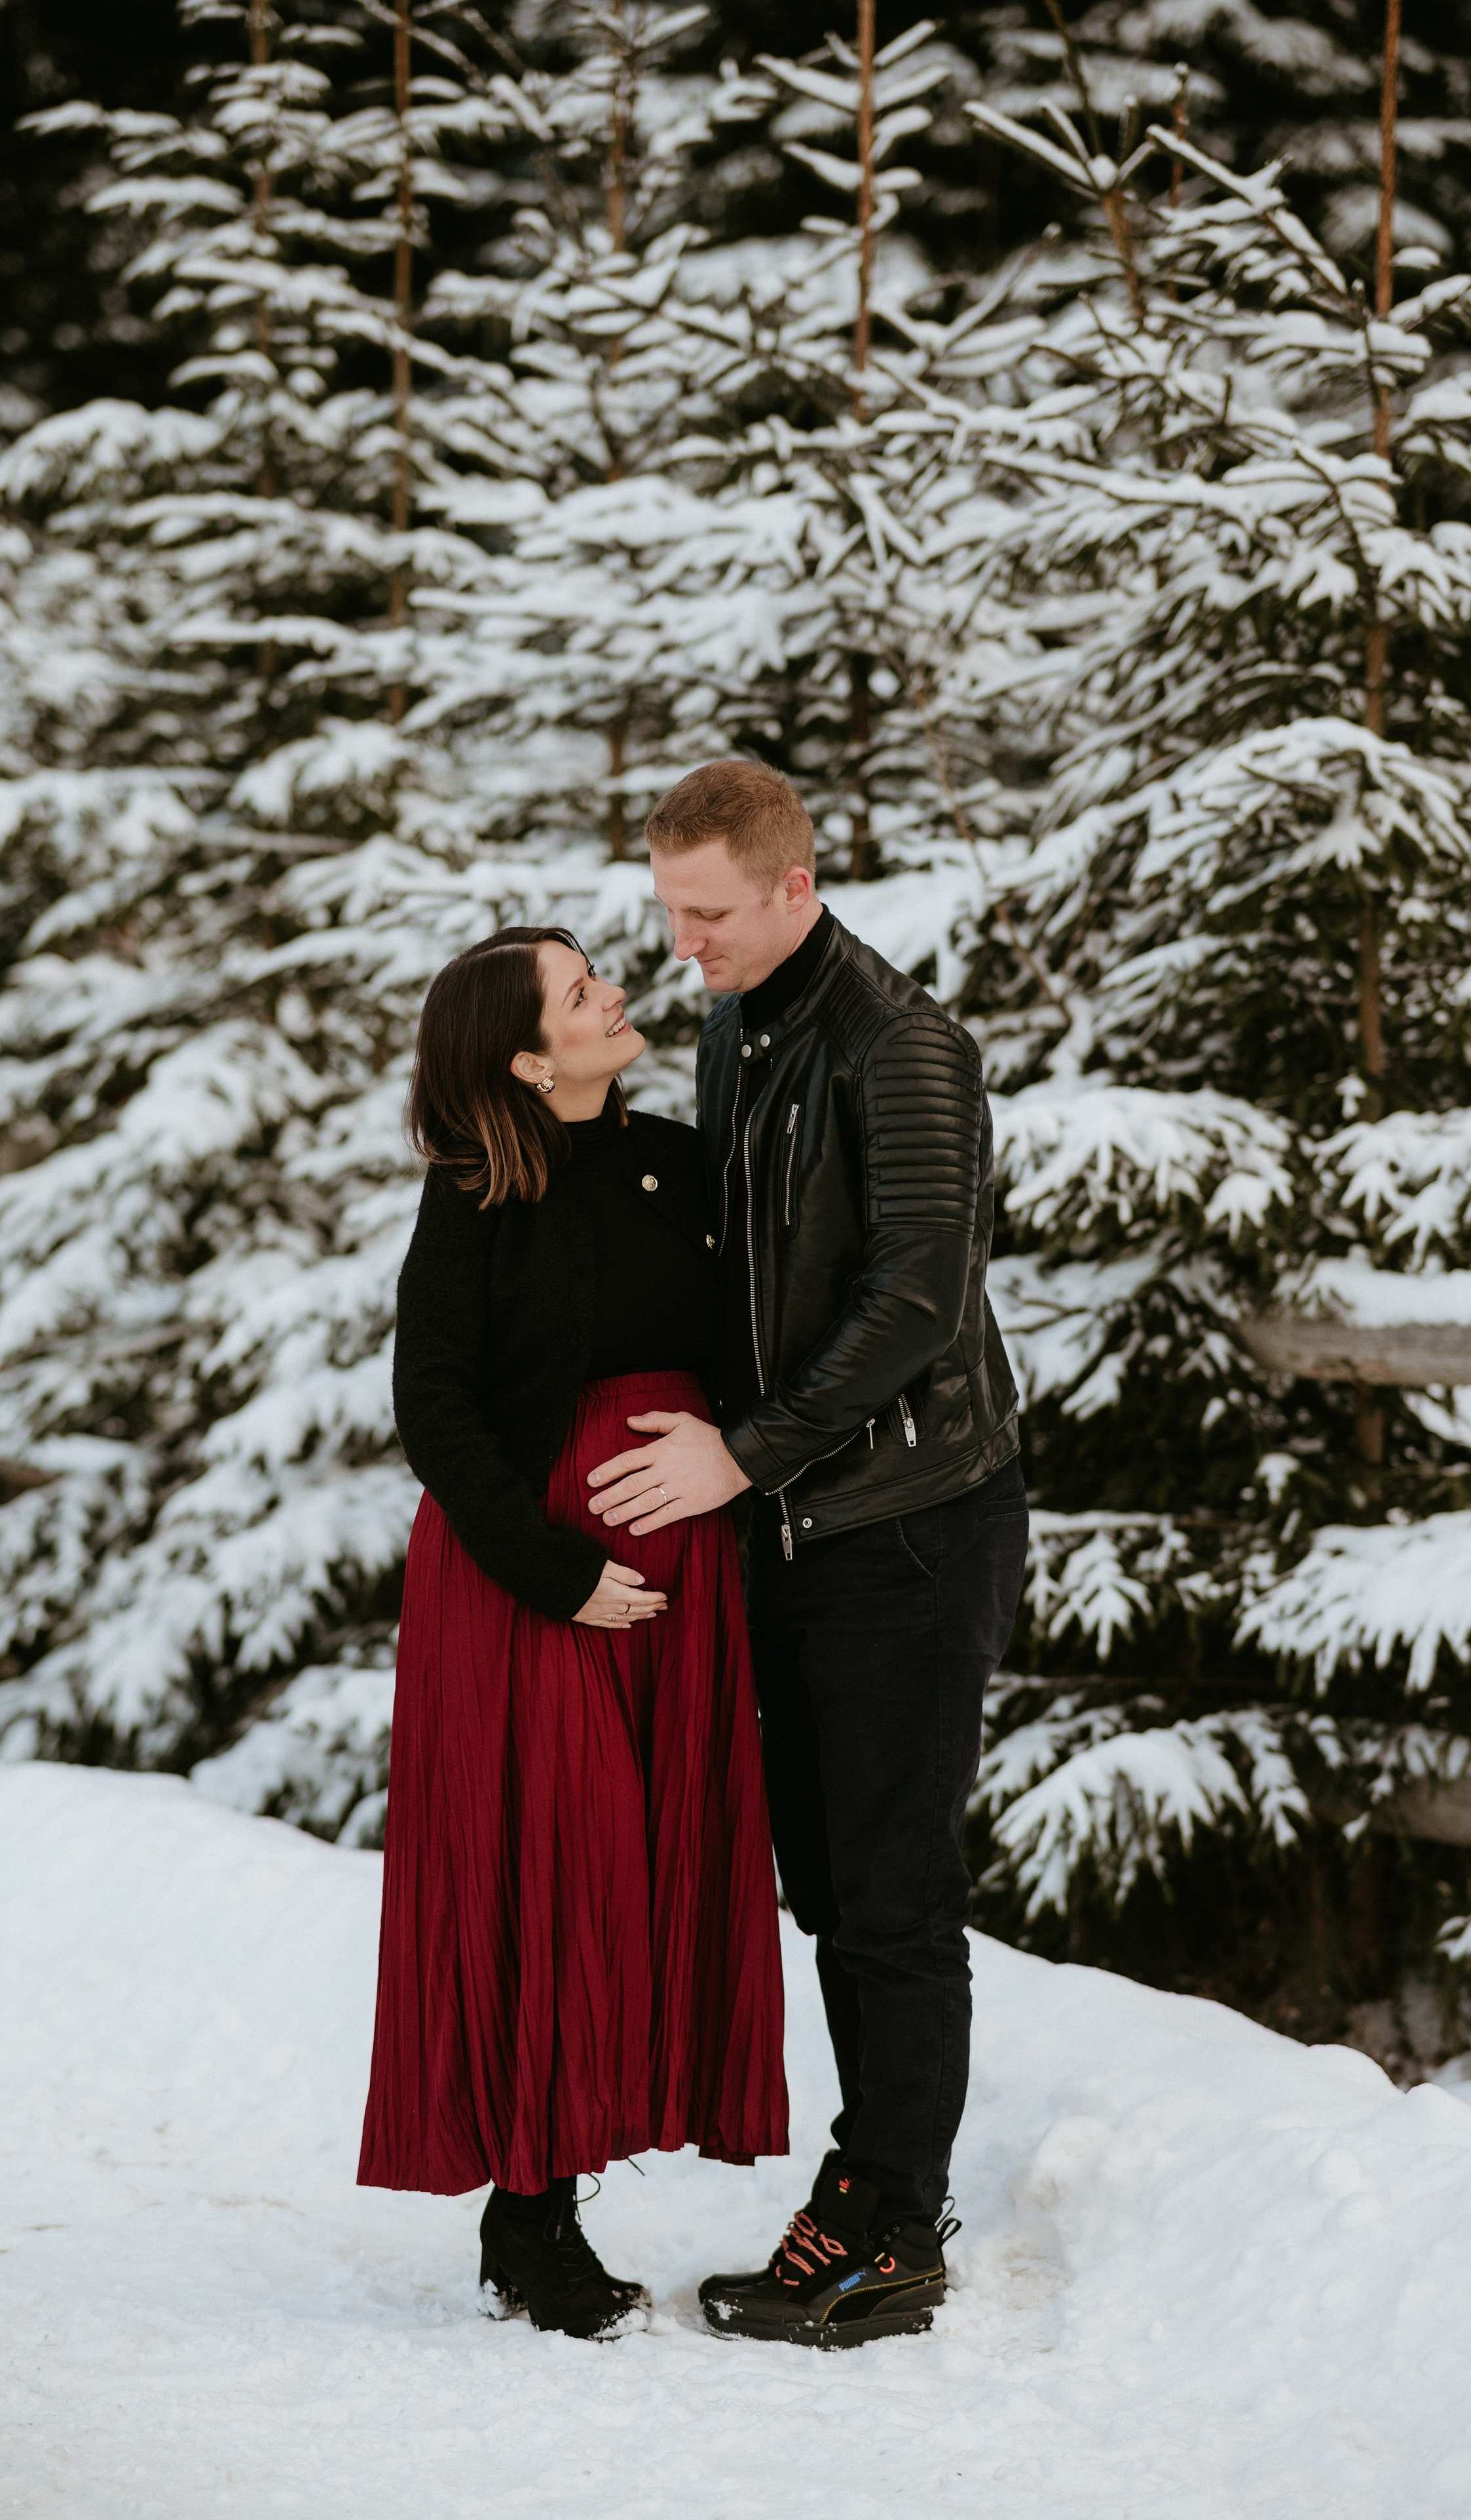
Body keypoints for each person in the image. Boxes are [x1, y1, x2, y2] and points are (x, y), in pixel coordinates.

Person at [584, 761, 1028, 2350]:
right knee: (835, 1886)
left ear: (792, 884)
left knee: (891, 1895)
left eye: (706, 913)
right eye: (667, 913)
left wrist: (744, 1453)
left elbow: (915, 1298)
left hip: (907, 1527)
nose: (681, 941)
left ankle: (891, 2229)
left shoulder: (900, 1045)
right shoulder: (737, 1019)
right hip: (795, 1533)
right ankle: (870, 2189)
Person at [356, 924, 788, 2342]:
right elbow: (438, 1410)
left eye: (597, 972)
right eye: (579, 990)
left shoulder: (676, 1161)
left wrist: (726, 1446)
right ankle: (529, 2212)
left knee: (648, 1857)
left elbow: (747, 1338)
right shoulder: (476, 1191)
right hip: (535, 1577)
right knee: (558, 1862)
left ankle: (573, 2169)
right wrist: (554, 1571)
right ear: (529, 1059)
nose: (613, 992)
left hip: (680, 1577)